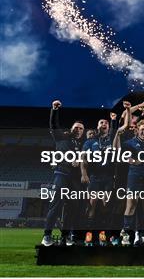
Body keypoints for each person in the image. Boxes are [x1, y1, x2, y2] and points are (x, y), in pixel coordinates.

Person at [41, 100, 85, 247]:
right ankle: (47, 236)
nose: (78, 130)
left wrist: (79, 162)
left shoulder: (81, 145)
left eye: (81, 129)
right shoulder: (62, 137)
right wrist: (54, 110)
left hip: (74, 178)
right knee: (56, 205)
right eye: (76, 127)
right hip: (61, 174)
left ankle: (66, 236)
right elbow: (54, 126)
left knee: (72, 208)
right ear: (72, 128)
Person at [115, 106, 144, 247]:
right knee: (131, 205)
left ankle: (141, 234)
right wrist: (129, 160)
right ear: (137, 130)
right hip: (134, 176)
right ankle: (125, 233)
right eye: (142, 129)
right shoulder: (130, 142)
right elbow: (119, 151)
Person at [80, 111, 118, 246]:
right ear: (97, 126)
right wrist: (84, 174)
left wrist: (113, 120)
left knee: (105, 205)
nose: (104, 124)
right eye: (101, 122)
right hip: (94, 177)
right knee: (92, 205)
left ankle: (102, 235)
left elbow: (115, 131)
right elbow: (83, 158)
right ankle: (89, 235)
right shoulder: (90, 141)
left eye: (106, 123)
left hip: (108, 177)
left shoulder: (111, 140)